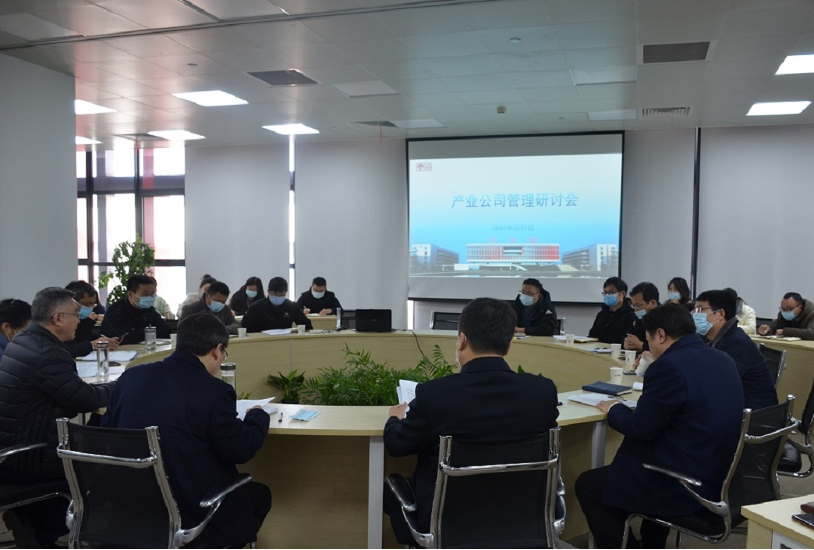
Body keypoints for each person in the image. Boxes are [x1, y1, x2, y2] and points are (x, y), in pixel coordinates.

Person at [382, 297, 559, 544]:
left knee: (389, 489)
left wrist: (394, 419)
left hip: (446, 522)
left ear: (462, 340)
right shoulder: (543, 392)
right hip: (523, 517)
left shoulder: (435, 395)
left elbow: (397, 444)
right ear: (508, 346)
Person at [576, 304, 744, 549]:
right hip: (718, 473)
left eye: (648, 339)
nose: (649, 345)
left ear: (661, 335)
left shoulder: (669, 367)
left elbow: (639, 428)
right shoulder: (722, 357)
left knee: (588, 486)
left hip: (682, 482)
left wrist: (614, 407)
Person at [102, 312, 271, 548]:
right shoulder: (214, 390)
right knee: (260, 495)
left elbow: (106, 433)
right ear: (217, 350)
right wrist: (257, 416)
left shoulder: (130, 377)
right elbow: (240, 449)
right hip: (191, 509)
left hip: (129, 506)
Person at [0, 287, 114, 548]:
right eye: (75, 314)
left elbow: (68, 399)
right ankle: (45, 529)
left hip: (12, 448)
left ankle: (32, 522)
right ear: (58, 318)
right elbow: (84, 399)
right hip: (31, 456)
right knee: (108, 466)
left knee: (94, 437)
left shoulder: (24, 340)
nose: (80, 320)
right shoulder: (47, 353)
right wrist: (120, 386)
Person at [695, 290, 777, 410]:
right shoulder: (712, 338)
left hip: (752, 413)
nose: (695, 315)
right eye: (695, 310)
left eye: (701, 309)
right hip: (734, 405)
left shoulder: (736, 343)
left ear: (721, 313)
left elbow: (718, 384)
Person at [100, 274, 171, 345]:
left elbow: (166, 331)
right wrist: (150, 331)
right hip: (117, 350)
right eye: (145, 294)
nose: (150, 297)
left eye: (152, 294)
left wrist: (146, 332)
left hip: (144, 348)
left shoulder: (149, 309)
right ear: (130, 294)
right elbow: (126, 338)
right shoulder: (116, 311)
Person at [64, 280, 119, 357]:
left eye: (93, 304)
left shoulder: (85, 320)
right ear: (72, 301)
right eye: (86, 304)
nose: (90, 308)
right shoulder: (61, 322)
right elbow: (64, 349)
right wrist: (93, 344)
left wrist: (104, 341)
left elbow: (87, 339)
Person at [242, 277, 312, 333]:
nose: (278, 296)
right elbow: (245, 327)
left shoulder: (292, 306)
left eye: (282, 293)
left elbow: (306, 325)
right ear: (268, 291)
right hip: (261, 341)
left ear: (286, 292)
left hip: (284, 340)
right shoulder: (255, 307)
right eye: (275, 293)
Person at [588, 277, 636, 344]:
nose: (607, 295)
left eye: (611, 292)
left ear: (622, 294)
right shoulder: (601, 314)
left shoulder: (630, 315)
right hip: (599, 349)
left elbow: (627, 340)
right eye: (605, 292)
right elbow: (592, 336)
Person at [624, 282, 659, 353]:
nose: (635, 310)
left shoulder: (665, 319)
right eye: (633, 305)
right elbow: (628, 334)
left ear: (653, 303)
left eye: (638, 305)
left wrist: (640, 345)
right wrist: (626, 342)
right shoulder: (639, 317)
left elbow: (665, 348)